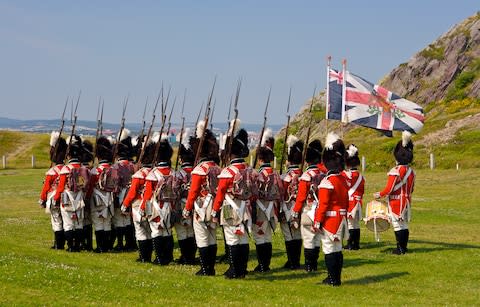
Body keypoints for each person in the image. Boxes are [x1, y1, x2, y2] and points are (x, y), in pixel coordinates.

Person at [212, 124, 257, 279]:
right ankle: (242, 269)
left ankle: (234, 270)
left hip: (230, 209)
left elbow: (220, 194)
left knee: (232, 240)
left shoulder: (227, 172)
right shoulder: (250, 171)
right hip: (247, 209)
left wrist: (214, 210)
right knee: (243, 239)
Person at [183, 121, 221, 276]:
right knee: (212, 237)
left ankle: (206, 268)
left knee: (202, 237)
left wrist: (187, 208)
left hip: (201, 206)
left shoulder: (199, 169)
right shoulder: (217, 168)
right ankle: (210, 267)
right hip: (214, 206)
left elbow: (193, 192)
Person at [313, 132, 349, 286]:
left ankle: (332, 278)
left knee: (329, 249)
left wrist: (317, 221)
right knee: (338, 249)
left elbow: (323, 205)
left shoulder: (327, 181)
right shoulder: (343, 180)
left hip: (330, 220)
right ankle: (336, 278)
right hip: (341, 219)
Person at [374, 131, 416, 255]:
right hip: (407, 200)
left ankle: (400, 248)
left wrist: (379, 194)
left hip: (397, 201)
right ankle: (404, 247)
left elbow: (389, 188)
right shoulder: (411, 171)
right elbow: (412, 188)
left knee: (398, 225)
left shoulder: (396, 170)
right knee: (404, 225)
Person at [292, 139, 325, 272]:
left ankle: (309, 265)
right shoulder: (323, 174)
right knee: (316, 239)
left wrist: (295, 212)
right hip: (320, 210)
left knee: (308, 239)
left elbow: (300, 198)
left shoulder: (306, 176)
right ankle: (314, 264)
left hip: (308, 209)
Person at [121, 135, 156, 263]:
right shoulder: (154, 172)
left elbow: (132, 193)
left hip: (138, 205)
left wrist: (125, 205)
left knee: (141, 232)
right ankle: (148, 255)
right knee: (150, 231)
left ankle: (143, 256)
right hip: (152, 205)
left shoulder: (139, 174)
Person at [253, 128, 283, 272]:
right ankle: (266, 264)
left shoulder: (258, 174)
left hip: (260, 209)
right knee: (268, 237)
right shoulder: (276, 174)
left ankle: (262, 265)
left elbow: (253, 193)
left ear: (260, 160)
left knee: (260, 237)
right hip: (273, 210)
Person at [142, 137, 175, 265]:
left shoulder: (153, 174)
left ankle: (160, 258)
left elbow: (148, 194)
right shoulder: (173, 173)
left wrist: (142, 208)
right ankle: (168, 257)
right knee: (168, 232)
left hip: (157, 207)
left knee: (156, 231)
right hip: (170, 206)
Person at [54, 135, 89, 252]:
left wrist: (56, 199)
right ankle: (77, 245)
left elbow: (60, 188)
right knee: (78, 224)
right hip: (80, 198)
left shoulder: (65, 169)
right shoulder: (83, 168)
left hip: (66, 198)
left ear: (68, 155)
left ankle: (70, 246)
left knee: (68, 224)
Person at [39, 131, 67, 250]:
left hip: (54, 198)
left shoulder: (52, 171)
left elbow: (46, 188)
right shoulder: (67, 169)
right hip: (66, 198)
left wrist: (42, 199)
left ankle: (58, 244)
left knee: (56, 221)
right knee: (65, 221)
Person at [279, 135, 303, 270]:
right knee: (297, 234)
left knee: (288, 235)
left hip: (288, 208)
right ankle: (295, 261)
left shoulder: (286, 177)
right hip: (300, 209)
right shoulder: (303, 175)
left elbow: (281, 195)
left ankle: (292, 261)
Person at [87, 136, 114, 253]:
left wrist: (87, 198)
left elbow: (89, 187)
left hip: (97, 199)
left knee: (98, 223)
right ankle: (107, 246)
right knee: (107, 222)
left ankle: (100, 247)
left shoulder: (95, 171)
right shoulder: (114, 169)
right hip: (110, 199)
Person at [174, 129, 197, 265]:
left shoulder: (178, 174)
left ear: (181, 159)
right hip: (195, 205)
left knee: (183, 232)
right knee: (192, 232)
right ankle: (191, 256)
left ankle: (185, 257)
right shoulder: (196, 172)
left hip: (182, 204)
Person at [112, 129, 136, 252]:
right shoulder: (133, 165)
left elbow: (115, 184)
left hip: (120, 196)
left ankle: (120, 244)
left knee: (118, 221)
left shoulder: (116, 167)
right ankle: (129, 243)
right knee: (127, 220)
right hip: (131, 196)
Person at [342, 144, 365, 250]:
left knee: (351, 224)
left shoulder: (345, 175)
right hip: (358, 202)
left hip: (351, 202)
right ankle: (356, 244)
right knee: (356, 224)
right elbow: (362, 191)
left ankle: (350, 244)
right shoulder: (360, 176)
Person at [80, 139, 94, 251]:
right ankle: (88, 244)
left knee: (83, 221)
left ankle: (84, 244)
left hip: (82, 198)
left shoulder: (79, 170)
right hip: (91, 198)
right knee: (88, 222)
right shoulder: (92, 170)